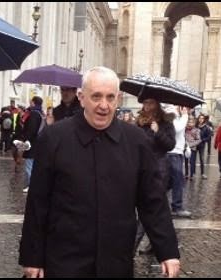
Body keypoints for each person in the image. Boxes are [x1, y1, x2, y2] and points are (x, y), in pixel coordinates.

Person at [19, 67, 180, 278]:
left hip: (115, 260)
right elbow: (38, 202)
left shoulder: (136, 141)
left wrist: (167, 251)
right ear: (82, 97)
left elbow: (153, 200)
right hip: (64, 259)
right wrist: (33, 257)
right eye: (96, 97)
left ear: (118, 99)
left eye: (110, 97)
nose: (104, 105)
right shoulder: (55, 138)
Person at [133, 98, 176, 255]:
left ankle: (132, 246)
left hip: (159, 170)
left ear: (157, 105)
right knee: (152, 208)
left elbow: (170, 145)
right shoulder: (139, 122)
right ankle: (155, 242)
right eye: (145, 103)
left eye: (150, 103)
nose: (147, 107)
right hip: (140, 168)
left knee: (150, 206)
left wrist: (158, 132)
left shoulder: (165, 123)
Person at [167, 106, 192, 218]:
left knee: (169, 181)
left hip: (177, 152)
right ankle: (177, 207)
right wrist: (185, 116)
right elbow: (177, 129)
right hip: (173, 152)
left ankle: (156, 201)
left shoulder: (175, 114)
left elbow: (180, 135)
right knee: (177, 181)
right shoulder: (170, 112)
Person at [20, 96, 45, 193]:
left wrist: (27, 139)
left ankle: (31, 185)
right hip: (38, 143)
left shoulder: (34, 114)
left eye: (31, 102)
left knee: (29, 166)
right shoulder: (41, 113)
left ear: (34, 103)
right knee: (34, 165)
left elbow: (31, 129)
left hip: (32, 144)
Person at [195, 114, 211, 179]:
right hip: (194, 145)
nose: (201, 119)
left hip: (201, 145)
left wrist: (202, 140)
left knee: (201, 159)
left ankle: (202, 173)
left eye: (202, 118)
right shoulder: (195, 126)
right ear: (198, 119)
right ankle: (192, 173)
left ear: (204, 119)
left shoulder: (206, 127)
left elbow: (209, 136)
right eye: (200, 118)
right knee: (193, 160)